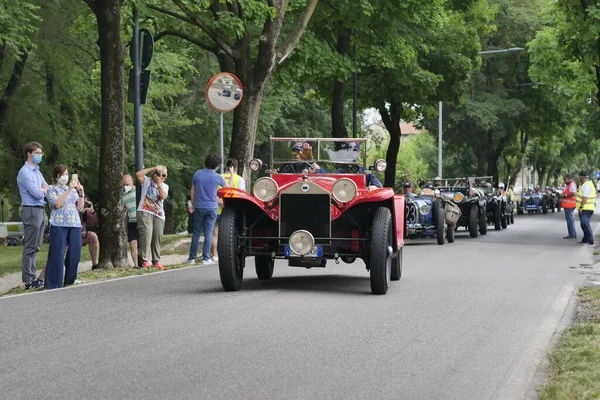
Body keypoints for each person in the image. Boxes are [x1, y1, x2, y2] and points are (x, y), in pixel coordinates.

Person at [184, 154, 229, 265]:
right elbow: (228, 188)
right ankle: (206, 258)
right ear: (217, 165)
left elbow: (193, 190)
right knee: (209, 233)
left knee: (196, 233)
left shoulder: (198, 174)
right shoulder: (217, 177)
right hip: (212, 207)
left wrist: (193, 204)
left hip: (199, 206)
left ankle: (192, 258)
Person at [45, 165, 85, 289]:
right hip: (59, 223)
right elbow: (57, 204)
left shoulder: (74, 191)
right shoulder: (51, 189)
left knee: (75, 253)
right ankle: (53, 283)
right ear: (56, 176)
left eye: (66, 174)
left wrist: (81, 194)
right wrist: (68, 190)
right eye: (62, 174)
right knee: (57, 253)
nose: (65, 177)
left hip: (74, 223)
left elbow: (80, 207)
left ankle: (70, 280)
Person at [17, 142, 48, 289]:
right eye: (37, 153)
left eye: (41, 153)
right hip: (31, 210)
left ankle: (33, 277)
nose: (39, 156)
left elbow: (47, 188)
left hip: (41, 209)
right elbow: (36, 193)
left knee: (36, 246)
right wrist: (42, 190)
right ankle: (28, 280)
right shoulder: (25, 172)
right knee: (30, 246)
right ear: (29, 154)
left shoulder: (38, 171)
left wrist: (43, 190)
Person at [210, 158, 246, 262]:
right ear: (236, 168)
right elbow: (242, 195)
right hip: (232, 211)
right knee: (233, 233)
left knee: (215, 233)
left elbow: (213, 192)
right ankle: (231, 254)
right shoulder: (239, 179)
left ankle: (215, 255)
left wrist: (219, 201)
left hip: (218, 208)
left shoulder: (218, 177)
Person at [136, 165, 169, 270]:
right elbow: (138, 174)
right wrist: (153, 168)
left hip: (158, 214)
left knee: (157, 237)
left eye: (164, 175)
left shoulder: (165, 186)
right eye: (159, 174)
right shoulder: (147, 181)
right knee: (146, 235)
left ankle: (156, 261)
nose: (162, 177)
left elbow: (163, 196)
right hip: (145, 211)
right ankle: (144, 260)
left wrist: (159, 184)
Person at [576, 171, 596, 247]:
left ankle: (590, 241)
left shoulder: (586, 185)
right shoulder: (587, 184)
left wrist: (581, 207)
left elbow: (585, 197)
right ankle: (585, 240)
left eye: (579, 177)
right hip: (587, 208)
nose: (579, 178)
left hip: (586, 208)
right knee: (583, 224)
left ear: (582, 177)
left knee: (585, 224)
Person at [123, 175, 138, 267]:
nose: (126, 186)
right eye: (124, 184)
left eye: (127, 184)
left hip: (142, 220)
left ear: (132, 182)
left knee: (144, 243)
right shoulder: (123, 196)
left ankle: (145, 261)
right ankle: (136, 265)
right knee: (133, 243)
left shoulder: (139, 191)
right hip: (132, 221)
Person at [562, 173, 578, 239]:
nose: (563, 181)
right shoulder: (569, 185)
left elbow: (574, 193)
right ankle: (572, 233)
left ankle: (572, 234)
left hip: (570, 205)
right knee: (569, 220)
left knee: (570, 220)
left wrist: (565, 195)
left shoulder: (572, 184)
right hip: (568, 205)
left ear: (568, 178)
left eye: (564, 179)